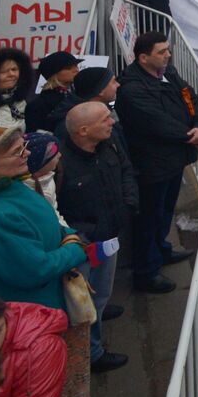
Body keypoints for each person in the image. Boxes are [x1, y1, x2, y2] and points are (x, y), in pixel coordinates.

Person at [0, 125, 112, 311]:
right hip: (22, 313)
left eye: (24, 146)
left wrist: (67, 233)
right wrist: (76, 249)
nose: (27, 153)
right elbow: (35, 270)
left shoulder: (4, 184)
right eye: (17, 151)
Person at [115, 32, 198, 293]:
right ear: (143, 58)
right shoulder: (131, 89)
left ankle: (161, 249)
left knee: (164, 211)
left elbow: (190, 97)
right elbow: (154, 121)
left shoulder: (168, 73)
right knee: (149, 217)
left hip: (173, 160)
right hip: (152, 164)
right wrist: (188, 135)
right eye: (162, 52)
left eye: (167, 50)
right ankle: (146, 271)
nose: (168, 55)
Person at [57, 102, 137, 373]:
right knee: (83, 304)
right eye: (104, 119)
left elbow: (126, 171)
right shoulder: (61, 165)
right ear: (83, 130)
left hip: (109, 237)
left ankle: (99, 319)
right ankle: (92, 354)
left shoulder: (110, 143)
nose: (112, 122)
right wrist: (83, 236)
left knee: (101, 294)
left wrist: (128, 205)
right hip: (84, 246)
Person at [23, 52, 81, 133]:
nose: (76, 70)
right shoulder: (39, 104)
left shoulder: (78, 95)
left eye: (76, 66)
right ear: (54, 74)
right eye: (68, 68)